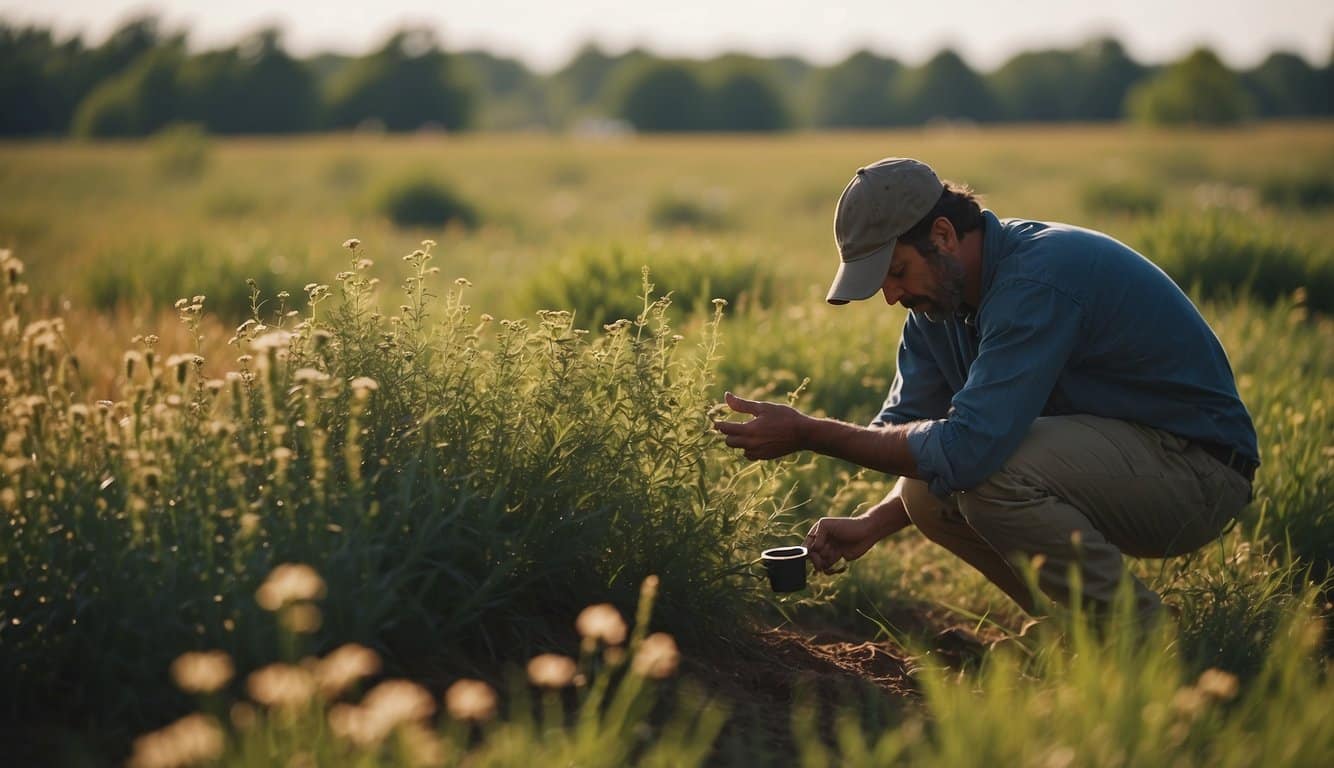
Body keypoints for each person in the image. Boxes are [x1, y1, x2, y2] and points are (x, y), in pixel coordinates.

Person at [713, 157, 1257, 625]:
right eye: (882, 283)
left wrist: (808, 432)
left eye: (896, 270)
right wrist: (872, 524)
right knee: (924, 492)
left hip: (1196, 473)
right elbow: (904, 432)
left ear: (944, 236)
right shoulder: (935, 310)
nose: (891, 295)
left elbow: (970, 451)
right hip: (1117, 465)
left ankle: (1140, 636)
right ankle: (1078, 635)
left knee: (989, 475)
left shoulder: (1033, 281)